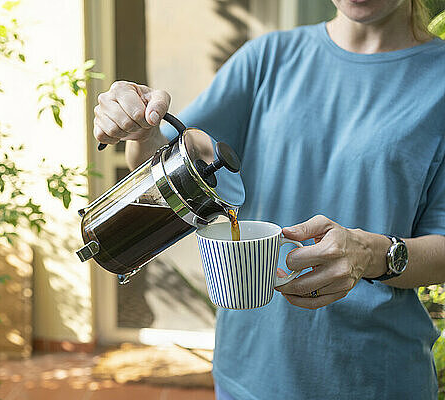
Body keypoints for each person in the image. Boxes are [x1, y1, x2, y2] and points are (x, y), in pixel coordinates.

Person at [93, 0, 445, 398]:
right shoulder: (267, 58)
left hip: (375, 378)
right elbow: (170, 163)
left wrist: (372, 254)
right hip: (249, 375)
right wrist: (142, 129)